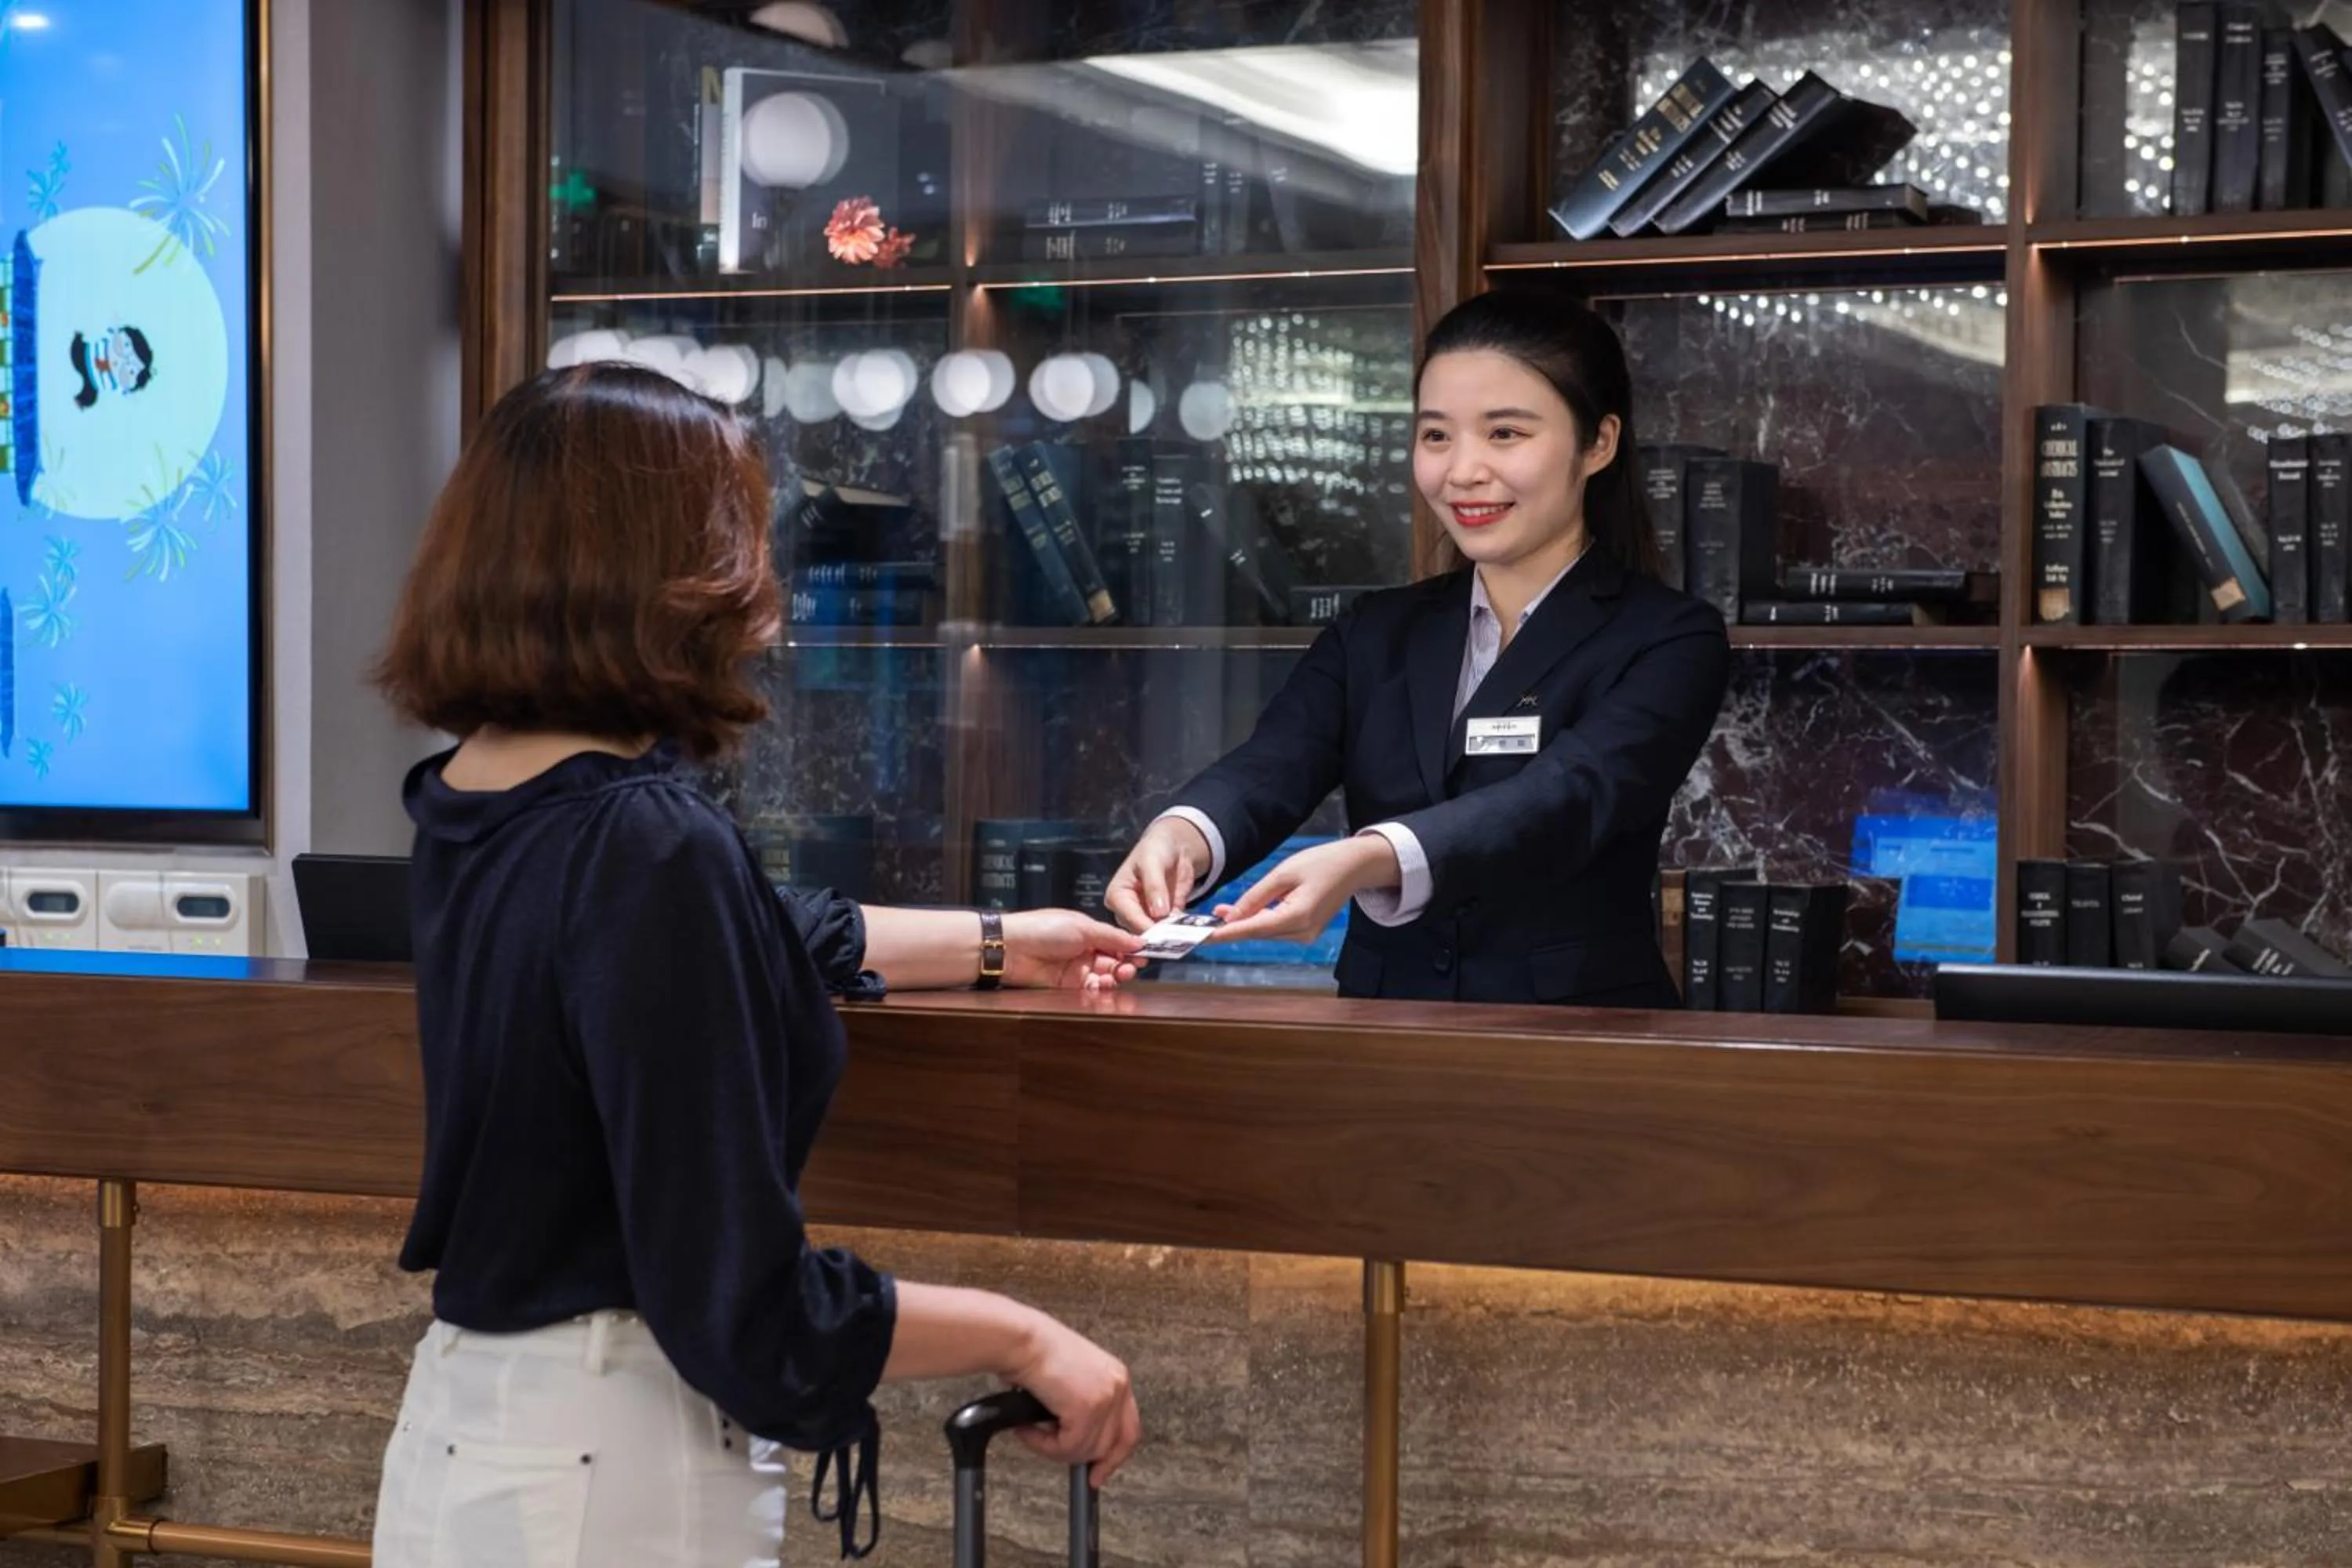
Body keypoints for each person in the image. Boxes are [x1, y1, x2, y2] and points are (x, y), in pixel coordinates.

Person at [366, 361, 1143, 1566]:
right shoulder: (644, 841)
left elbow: (764, 936)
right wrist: (1027, 1336)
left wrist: (1006, 942)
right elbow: (743, 1302)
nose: (765, 572)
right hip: (608, 1464)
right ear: (670, 565)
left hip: (467, 1433)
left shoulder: (481, 794)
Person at [1107, 290, 1730, 1008]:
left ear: (1599, 443)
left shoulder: (1669, 636)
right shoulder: (1376, 629)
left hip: (1578, 1045)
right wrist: (1184, 836)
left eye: (1505, 434)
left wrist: (1368, 858)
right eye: (1436, 436)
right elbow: (1273, 762)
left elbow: (1567, 797)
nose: (1462, 471)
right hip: (1381, 1038)